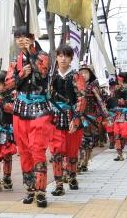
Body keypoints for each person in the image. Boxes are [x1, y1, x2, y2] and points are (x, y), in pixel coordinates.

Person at [5, 27, 51, 207]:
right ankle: (30, 189)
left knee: (37, 149)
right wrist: (22, 73)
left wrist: (31, 55)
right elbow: (9, 84)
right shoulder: (14, 61)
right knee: (23, 150)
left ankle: (41, 190)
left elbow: (42, 73)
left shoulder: (43, 55)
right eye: (17, 37)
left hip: (39, 107)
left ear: (32, 38)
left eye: (24, 36)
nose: (21, 40)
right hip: (20, 109)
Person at [48, 44, 80, 195]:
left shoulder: (75, 76)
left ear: (71, 59)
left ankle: (72, 177)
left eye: (66, 56)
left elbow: (81, 98)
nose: (63, 59)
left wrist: (76, 118)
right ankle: (59, 184)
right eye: (60, 56)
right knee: (56, 151)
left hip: (71, 115)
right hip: (55, 117)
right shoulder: (51, 76)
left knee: (72, 150)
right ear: (56, 57)